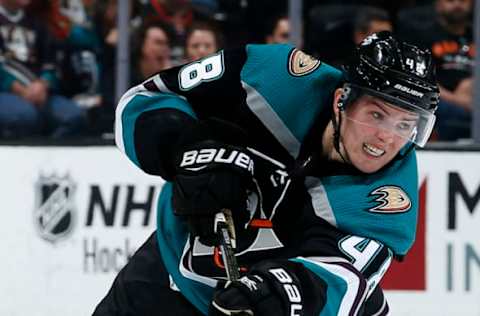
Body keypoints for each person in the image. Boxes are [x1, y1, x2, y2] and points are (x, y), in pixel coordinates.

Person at [94, 31, 439, 315]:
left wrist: (278, 292)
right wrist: (185, 150)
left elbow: (338, 282)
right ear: (341, 100)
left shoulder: (390, 199)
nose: (387, 137)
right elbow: (143, 101)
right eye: (376, 115)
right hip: (165, 279)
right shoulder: (273, 75)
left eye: (406, 124)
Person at [0, 0, 86, 138]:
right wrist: (19, 90)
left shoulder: (37, 23)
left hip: (40, 92)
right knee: (25, 116)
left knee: (73, 115)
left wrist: (43, 84)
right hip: (6, 93)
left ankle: (51, 156)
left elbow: (51, 63)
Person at [399, 0, 473, 141]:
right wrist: (456, 100)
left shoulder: (476, 35)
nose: (457, 4)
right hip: (440, 98)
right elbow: (417, 79)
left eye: (463, 0)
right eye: (450, 0)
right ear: (438, 4)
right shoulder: (421, 35)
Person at [130, 20, 173, 86]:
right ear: (142, 46)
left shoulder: (171, 79)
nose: (164, 48)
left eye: (166, 44)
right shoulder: (126, 76)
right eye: (158, 43)